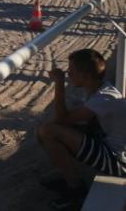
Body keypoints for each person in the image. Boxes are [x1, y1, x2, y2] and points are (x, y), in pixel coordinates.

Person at [35, 49, 126, 209]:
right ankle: (69, 176)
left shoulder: (104, 98)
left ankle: (76, 189)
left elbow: (61, 118)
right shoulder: (100, 89)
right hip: (105, 145)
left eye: (71, 71)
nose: (68, 73)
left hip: (116, 160)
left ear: (85, 76)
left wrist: (59, 83)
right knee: (44, 131)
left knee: (48, 131)